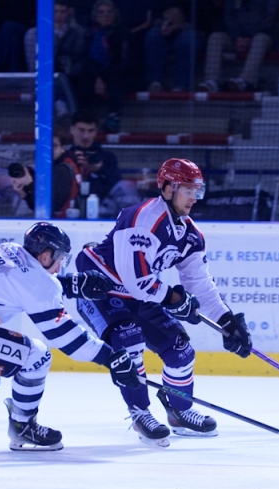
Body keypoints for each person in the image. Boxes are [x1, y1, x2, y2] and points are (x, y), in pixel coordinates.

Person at [74, 158, 252, 447]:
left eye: (198, 191)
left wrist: (227, 321)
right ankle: (140, 412)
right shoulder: (142, 219)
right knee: (129, 342)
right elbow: (137, 281)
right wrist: (174, 299)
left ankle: (179, 411)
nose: (194, 198)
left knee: (180, 350)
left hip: (140, 294)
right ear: (167, 188)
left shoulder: (191, 235)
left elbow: (199, 284)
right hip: (101, 289)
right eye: (187, 190)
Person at [0, 222, 140, 449]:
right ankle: (23, 427)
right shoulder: (38, 283)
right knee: (37, 356)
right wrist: (110, 357)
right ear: (45, 256)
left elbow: (24, 280)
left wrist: (73, 284)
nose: (60, 266)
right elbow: (67, 338)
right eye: (60, 259)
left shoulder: (8, 249)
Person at [198, 0, 279, 93]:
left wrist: (250, 38)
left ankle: (245, 81)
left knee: (260, 39)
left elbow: (271, 17)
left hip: (262, 35)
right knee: (215, 37)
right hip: (237, 38)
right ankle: (211, 81)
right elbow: (229, 17)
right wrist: (237, 37)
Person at [74, 0, 129, 133]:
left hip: (116, 72)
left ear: (115, 14)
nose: (105, 15)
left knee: (115, 77)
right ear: (95, 15)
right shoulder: (87, 33)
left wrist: (103, 77)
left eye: (109, 12)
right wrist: (98, 77)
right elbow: (84, 57)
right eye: (101, 12)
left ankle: (113, 118)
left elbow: (123, 61)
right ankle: (85, 119)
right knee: (84, 76)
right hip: (93, 73)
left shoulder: (123, 33)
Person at [9, 127, 79, 218]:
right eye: (46, 145)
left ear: (63, 148)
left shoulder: (63, 170)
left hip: (65, 225)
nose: (49, 149)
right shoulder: (53, 168)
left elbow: (49, 207)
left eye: (53, 145)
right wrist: (24, 194)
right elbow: (38, 208)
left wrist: (30, 184)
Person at [64, 110, 122, 207]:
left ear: (96, 132)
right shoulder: (64, 157)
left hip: (101, 213)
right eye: (81, 130)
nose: (86, 136)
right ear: (72, 130)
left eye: (90, 131)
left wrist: (101, 169)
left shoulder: (107, 158)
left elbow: (119, 187)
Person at [144, 1, 203, 93]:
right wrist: (163, 24)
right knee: (153, 35)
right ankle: (154, 82)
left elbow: (200, 22)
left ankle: (181, 86)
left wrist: (177, 25)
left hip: (188, 32)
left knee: (187, 39)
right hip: (164, 32)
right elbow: (154, 18)